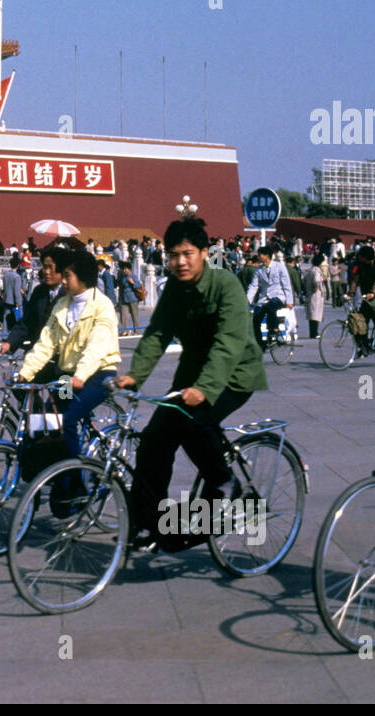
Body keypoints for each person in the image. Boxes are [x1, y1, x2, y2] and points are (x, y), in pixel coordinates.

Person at [113, 216, 268, 550]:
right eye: (173, 255)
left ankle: (226, 484)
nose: (179, 262)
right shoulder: (174, 289)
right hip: (192, 375)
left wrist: (205, 388)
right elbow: (157, 334)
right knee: (153, 440)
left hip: (236, 373)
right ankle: (149, 524)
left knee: (194, 425)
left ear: (204, 252)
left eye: (187, 253)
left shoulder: (226, 285)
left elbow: (229, 343)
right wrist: (135, 373)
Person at [18, 249, 122, 462]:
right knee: (48, 420)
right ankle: (56, 476)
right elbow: (46, 342)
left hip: (98, 375)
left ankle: (74, 482)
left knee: (67, 420)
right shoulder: (62, 304)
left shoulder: (102, 306)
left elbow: (97, 346)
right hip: (69, 376)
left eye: (68, 276)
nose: (62, 280)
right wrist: (26, 372)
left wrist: (81, 375)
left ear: (83, 277)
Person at [0, 242, 74, 384]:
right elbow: (27, 322)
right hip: (39, 358)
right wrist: (10, 343)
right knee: (19, 386)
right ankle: (37, 407)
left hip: (64, 364)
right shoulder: (39, 291)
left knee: (63, 400)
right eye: (44, 267)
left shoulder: (70, 295)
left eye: (50, 267)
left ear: (63, 269)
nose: (45, 271)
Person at [246, 246, 294, 348]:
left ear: (267, 256)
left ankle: (274, 329)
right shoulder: (258, 270)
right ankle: (260, 343)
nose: (258, 257)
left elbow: (286, 284)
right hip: (264, 298)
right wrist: (247, 299)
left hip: (277, 296)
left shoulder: (279, 266)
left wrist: (289, 301)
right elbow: (254, 286)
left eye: (260, 255)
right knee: (256, 318)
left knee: (271, 306)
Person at [304, 252, 327, 339]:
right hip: (315, 294)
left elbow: (304, 280)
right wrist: (317, 286)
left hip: (310, 294)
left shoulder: (310, 270)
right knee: (315, 315)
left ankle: (312, 332)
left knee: (312, 315)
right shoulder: (316, 271)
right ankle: (315, 333)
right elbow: (316, 281)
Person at [0, 254, 24, 332]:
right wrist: (18, 302)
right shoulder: (17, 277)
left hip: (6, 299)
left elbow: (4, 287)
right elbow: (16, 291)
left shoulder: (6, 275)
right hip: (14, 300)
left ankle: (4, 334)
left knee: (6, 317)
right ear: (18, 265)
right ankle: (19, 333)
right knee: (18, 318)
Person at [116, 260, 143, 332]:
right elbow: (121, 287)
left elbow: (138, 285)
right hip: (124, 299)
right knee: (123, 316)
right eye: (123, 269)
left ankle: (136, 330)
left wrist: (132, 282)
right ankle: (124, 331)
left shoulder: (133, 276)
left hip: (133, 298)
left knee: (134, 316)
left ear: (129, 269)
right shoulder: (122, 277)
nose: (124, 270)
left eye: (126, 269)